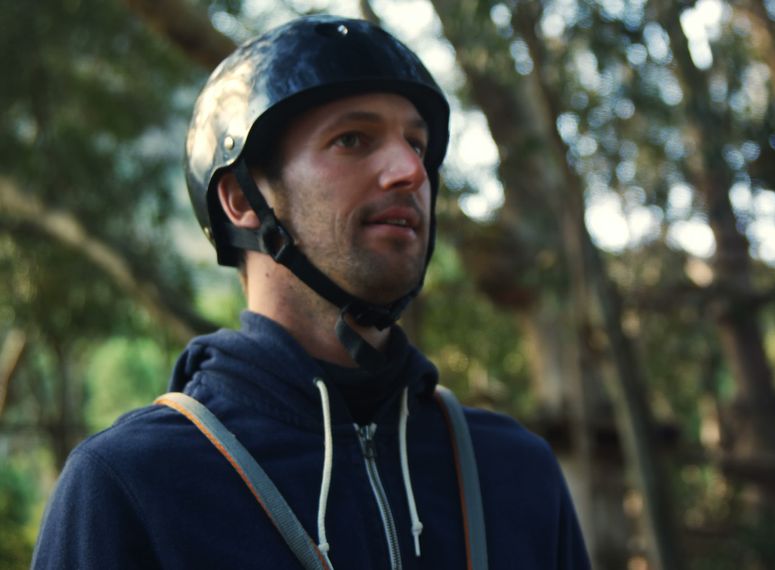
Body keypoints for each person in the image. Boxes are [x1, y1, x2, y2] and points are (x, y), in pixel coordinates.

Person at [32, 15, 590, 569]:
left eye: (417, 144)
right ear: (242, 201)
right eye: (352, 139)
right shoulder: (132, 485)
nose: (411, 171)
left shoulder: (517, 474)